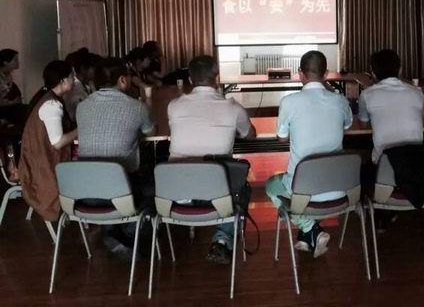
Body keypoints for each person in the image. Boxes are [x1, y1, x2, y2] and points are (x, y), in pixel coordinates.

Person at [168, 55, 256, 264]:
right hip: (218, 196)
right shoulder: (233, 108)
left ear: (190, 79)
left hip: (176, 195)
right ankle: (222, 240)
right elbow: (250, 134)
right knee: (241, 188)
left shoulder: (174, 106)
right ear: (217, 78)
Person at [266, 51, 353, 258]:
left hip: (302, 190)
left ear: (300, 73)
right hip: (339, 188)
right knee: (306, 192)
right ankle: (309, 235)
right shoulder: (340, 101)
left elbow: (281, 138)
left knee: (270, 186)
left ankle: (309, 227)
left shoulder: (289, 102)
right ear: (326, 74)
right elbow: (347, 126)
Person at [18, 61, 77, 222]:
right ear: (63, 80)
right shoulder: (51, 105)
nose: (74, 79)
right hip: (41, 165)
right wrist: (80, 130)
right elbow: (58, 142)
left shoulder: (49, 99)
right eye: (72, 76)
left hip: (41, 159)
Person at [77, 57, 154, 175]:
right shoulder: (137, 107)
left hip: (86, 178)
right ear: (122, 80)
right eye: (129, 76)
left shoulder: (81, 106)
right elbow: (151, 134)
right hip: (123, 179)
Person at [358, 49, 424, 165]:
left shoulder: (367, 94)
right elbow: (421, 118)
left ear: (373, 73)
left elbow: (363, 125)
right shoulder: (417, 93)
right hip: (416, 164)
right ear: (400, 70)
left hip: (384, 165)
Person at [63, 49, 101, 123]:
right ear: (84, 68)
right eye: (95, 69)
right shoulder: (73, 88)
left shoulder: (90, 83)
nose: (97, 72)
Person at [0, 49, 26, 125]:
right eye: (15, 60)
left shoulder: (8, 75)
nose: (18, 62)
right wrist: (13, 102)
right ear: (5, 63)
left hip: (8, 106)